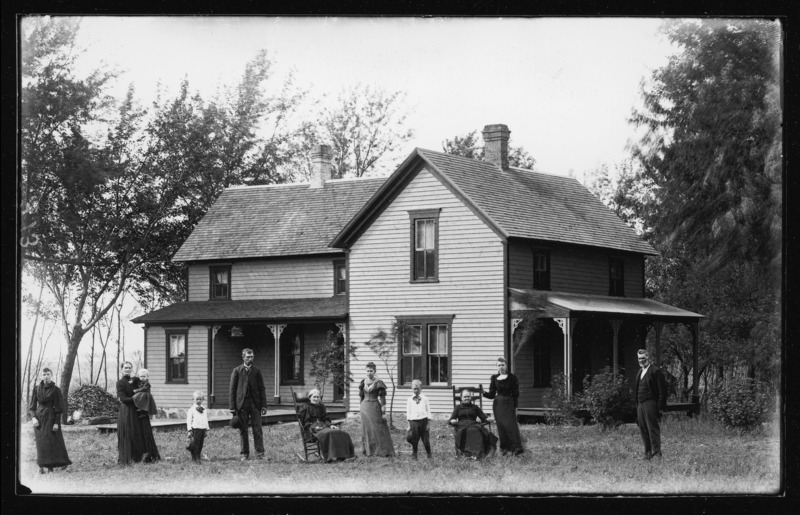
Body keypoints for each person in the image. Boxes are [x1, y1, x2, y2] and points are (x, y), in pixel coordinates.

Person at [29, 368, 72, 474]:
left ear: (51, 375)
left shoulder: (56, 390)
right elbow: (32, 407)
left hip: (51, 417)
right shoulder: (36, 389)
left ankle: (51, 467)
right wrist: (33, 418)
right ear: (41, 376)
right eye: (44, 374)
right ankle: (41, 466)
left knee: (51, 441)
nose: (46, 376)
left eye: (48, 374)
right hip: (39, 418)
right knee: (41, 442)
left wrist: (56, 423)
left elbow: (59, 408)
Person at [229, 348, 267, 460]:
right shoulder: (236, 371)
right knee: (243, 429)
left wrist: (264, 405)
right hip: (242, 405)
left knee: (258, 429)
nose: (250, 359)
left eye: (252, 357)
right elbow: (232, 389)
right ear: (243, 357)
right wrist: (232, 407)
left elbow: (262, 388)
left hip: (255, 404)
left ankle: (260, 453)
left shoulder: (257, 371)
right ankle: (244, 454)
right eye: (248, 357)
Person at [298, 388, 355, 462]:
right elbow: (304, 422)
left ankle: (343, 455)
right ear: (310, 398)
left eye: (318, 397)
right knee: (327, 433)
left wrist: (330, 425)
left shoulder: (321, 406)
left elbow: (325, 418)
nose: (316, 399)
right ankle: (329, 457)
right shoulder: (305, 407)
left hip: (324, 426)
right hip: (312, 429)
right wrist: (314, 427)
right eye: (314, 397)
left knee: (341, 433)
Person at [483, 357, 524, 456]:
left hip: (509, 403)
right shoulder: (494, 378)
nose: (501, 367)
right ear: (497, 367)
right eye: (499, 365)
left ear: (506, 366)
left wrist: (514, 406)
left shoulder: (512, 378)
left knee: (511, 425)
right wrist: (483, 393)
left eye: (503, 365)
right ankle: (504, 448)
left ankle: (516, 448)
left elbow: (515, 394)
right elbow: (492, 394)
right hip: (498, 405)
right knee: (501, 426)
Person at [634, 349, 668, 460]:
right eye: (639, 358)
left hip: (651, 403)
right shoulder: (640, 372)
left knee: (652, 428)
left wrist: (659, 407)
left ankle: (657, 453)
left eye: (643, 358)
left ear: (648, 358)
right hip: (640, 404)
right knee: (643, 428)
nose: (641, 360)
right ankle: (647, 453)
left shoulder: (655, 371)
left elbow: (662, 391)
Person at [358, 362, 395, 457]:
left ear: (375, 371)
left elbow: (382, 399)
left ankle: (382, 450)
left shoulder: (379, 383)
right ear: (365, 371)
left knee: (378, 427)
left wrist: (383, 413)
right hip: (364, 407)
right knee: (366, 429)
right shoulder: (363, 382)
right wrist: (360, 408)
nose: (369, 372)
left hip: (374, 406)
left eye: (371, 371)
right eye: (368, 371)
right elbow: (361, 397)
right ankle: (368, 450)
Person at [449, 390, 497, 459]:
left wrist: (488, 419)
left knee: (477, 431)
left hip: (474, 424)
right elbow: (452, 418)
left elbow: (483, 418)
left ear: (471, 397)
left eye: (468, 396)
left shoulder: (475, 407)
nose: (467, 398)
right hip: (462, 425)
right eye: (465, 397)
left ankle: (478, 453)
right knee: (467, 432)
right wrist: (452, 421)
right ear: (461, 398)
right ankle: (466, 453)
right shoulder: (458, 408)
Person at [116, 361, 146, 464]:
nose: (128, 369)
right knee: (129, 433)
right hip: (127, 411)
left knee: (138, 433)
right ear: (121, 369)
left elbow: (145, 387)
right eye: (125, 368)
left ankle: (139, 457)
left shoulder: (136, 380)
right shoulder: (120, 383)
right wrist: (137, 398)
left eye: (129, 368)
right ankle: (129, 458)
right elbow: (123, 399)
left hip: (138, 410)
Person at [405, 379, 432, 459]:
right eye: (414, 389)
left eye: (418, 389)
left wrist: (428, 423)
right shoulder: (409, 400)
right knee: (414, 440)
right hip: (414, 422)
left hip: (423, 421)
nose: (416, 390)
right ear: (412, 389)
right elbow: (408, 413)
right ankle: (414, 455)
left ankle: (429, 454)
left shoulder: (425, 399)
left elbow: (429, 411)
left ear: (421, 389)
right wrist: (409, 425)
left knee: (426, 440)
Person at [186, 390, 210, 463]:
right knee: (195, 444)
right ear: (193, 399)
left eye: (200, 399)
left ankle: (198, 456)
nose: (198, 401)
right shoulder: (192, 409)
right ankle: (194, 457)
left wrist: (207, 429)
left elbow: (205, 419)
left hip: (202, 428)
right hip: (195, 429)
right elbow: (189, 420)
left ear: (203, 399)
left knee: (200, 444)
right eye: (197, 399)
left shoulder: (204, 409)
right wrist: (189, 430)